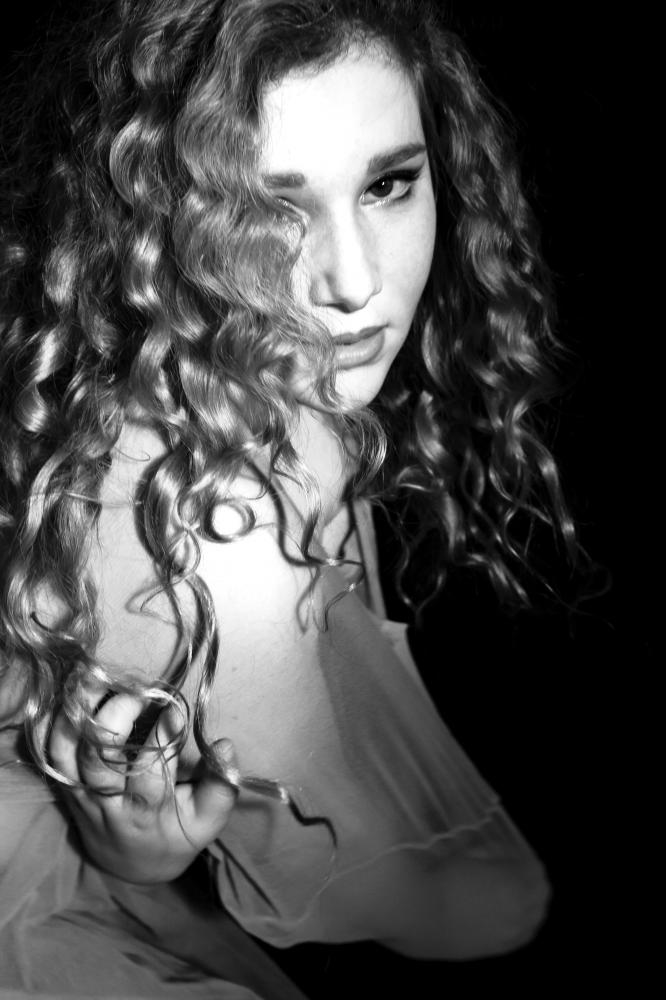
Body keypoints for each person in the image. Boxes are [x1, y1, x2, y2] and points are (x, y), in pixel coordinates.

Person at [0, 0, 578, 995]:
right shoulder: (229, 522)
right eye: (272, 210)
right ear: (153, 216)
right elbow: (439, 905)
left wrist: (137, 846)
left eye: (389, 185)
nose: (353, 281)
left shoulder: (167, 382)